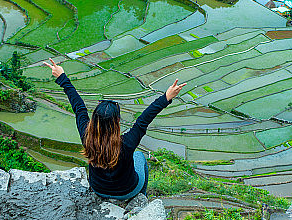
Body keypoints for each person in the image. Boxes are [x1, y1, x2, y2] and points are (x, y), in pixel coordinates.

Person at [43, 58, 186, 200]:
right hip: (128, 190)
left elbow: (79, 108)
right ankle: (141, 197)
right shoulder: (127, 143)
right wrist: (167, 97)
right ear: (116, 122)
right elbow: (143, 120)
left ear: (94, 120)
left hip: (98, 189)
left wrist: (62, 77)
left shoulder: (87, 136)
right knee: (140, 157)